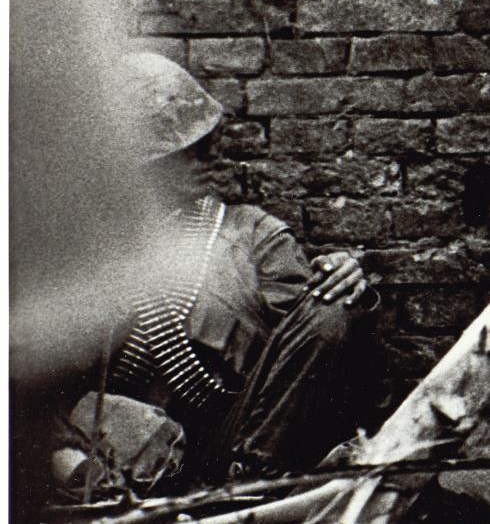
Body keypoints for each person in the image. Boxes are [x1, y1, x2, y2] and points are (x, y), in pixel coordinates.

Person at [52, 53, 375, 492]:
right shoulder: (83, 257)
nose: (204, 159)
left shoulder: (252, 233)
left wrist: (343, 279)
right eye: (181, 153)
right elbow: (42, 391)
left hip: (245, 444)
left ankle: (248, 482)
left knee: (335, 308)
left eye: (203, 145)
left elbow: (311, 348)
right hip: (144, 465)